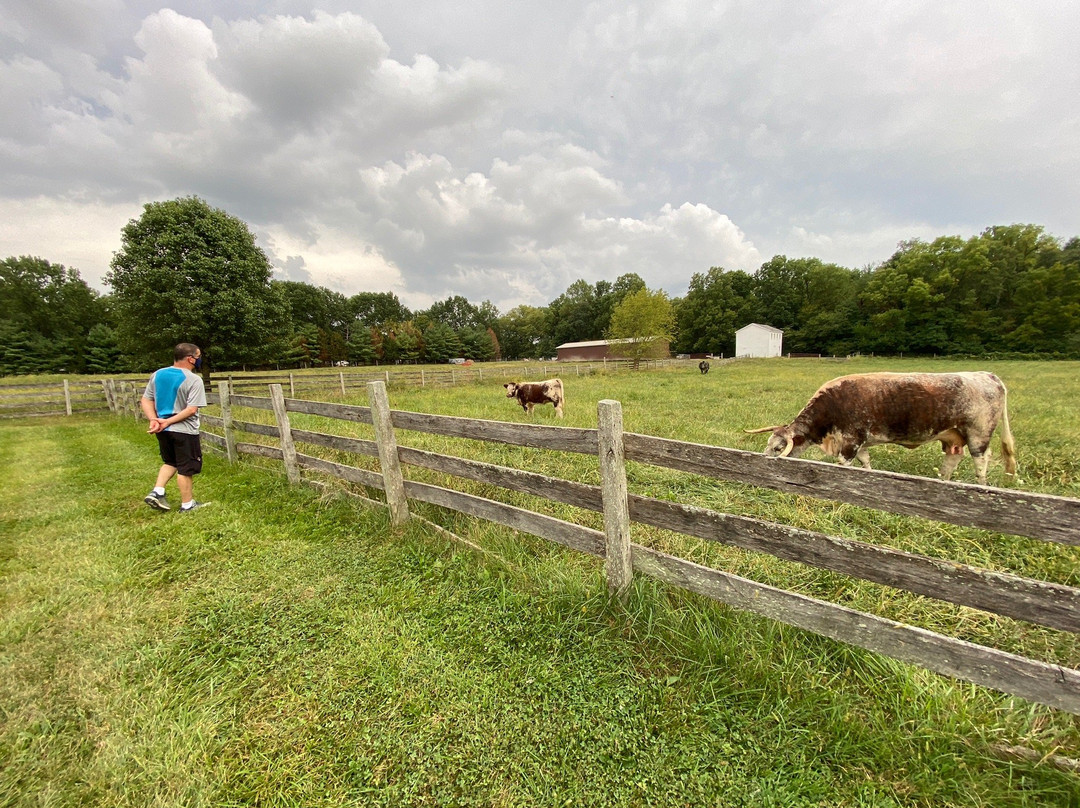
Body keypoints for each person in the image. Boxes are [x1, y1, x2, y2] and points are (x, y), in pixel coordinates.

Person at [140, 343, 209, 512]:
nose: (199, 360)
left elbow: (146, 399)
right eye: (198, 356)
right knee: (186, 467)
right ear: (190, 358)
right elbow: (192, 409)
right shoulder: (193, 379)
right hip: (184, 430)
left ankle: (158, 491)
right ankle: (187, 505)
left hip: (163, 430)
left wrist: (154, 420)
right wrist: (169, 421)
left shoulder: (158, 374)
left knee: (170, 461)